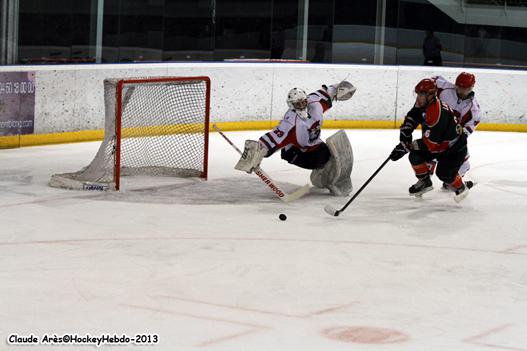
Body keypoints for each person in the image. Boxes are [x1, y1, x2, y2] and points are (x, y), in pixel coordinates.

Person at [234, 81, 356, 196]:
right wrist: (253, 156)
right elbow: (271, 138)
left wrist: (338, 87)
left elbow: (326, 93)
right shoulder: (290, 123)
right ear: (291, 105)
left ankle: (322, 173)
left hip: (313, 145)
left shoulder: (316, 104)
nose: (302, 106)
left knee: (327, 152)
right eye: (298, 104)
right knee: (321, 159)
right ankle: (322, 172)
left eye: (304, 102)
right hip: (295, 152)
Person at [389, 78, 469, 200]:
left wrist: (406, 147)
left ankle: (460, 187)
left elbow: (430, 144)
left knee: (444, 175)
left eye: (421, 94)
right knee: (415, 156)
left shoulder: (437, 113)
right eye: (418, 94)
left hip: (454, 149)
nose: (418, 98)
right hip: (440, 144)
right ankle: (425, 182)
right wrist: (405, 134)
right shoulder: (425, 103)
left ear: (431, 95)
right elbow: (413, 116)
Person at [432, 72, 481, 187]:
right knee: (429, 155)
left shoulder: (473, 109)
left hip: (453, 136)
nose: (462, 91)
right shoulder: (444, 88)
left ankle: (450, 182)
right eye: (459, 87)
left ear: (471, 88)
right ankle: (425, 180)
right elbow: (432, 80)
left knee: (464, 164)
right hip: (435, 130)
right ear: (456, 85)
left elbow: (469, 126)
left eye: (466, 88)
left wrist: (458, 138)